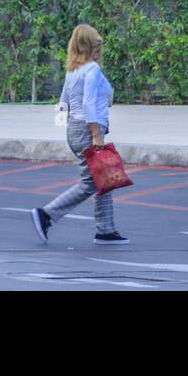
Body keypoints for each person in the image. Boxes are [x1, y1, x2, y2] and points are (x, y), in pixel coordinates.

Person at [31, 24, 130, 245]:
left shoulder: (72, 70)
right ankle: (47, 214)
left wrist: (71, 127)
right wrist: (96, 135)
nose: (100, 44)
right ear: (90, 45)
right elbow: (88, 104)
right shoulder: (92, 69)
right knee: (91, 183)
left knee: (104, 177)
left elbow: (63, 102)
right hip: (88, 129)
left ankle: (105, 230)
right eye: (97, 41)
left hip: (75, 129)